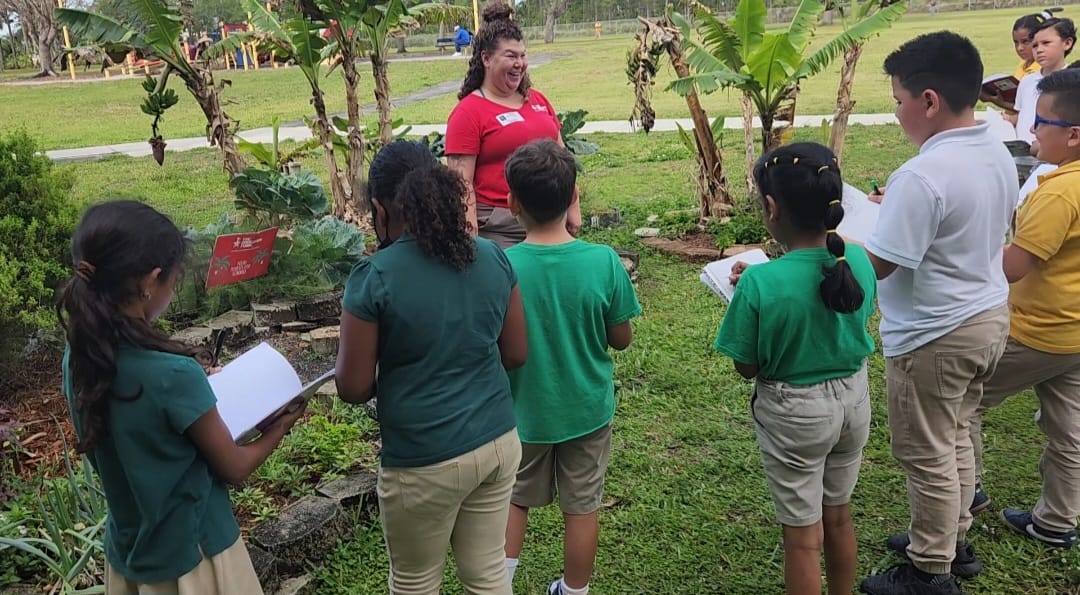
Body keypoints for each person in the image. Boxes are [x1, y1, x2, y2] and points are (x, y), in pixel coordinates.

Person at [56, 200, 304, 595]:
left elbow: (141, 424)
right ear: (150, 281)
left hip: (130, 557)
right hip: (199, 561)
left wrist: (191, 392)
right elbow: (235, 467)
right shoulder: (173, 376)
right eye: (173, 281)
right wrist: (281, 425)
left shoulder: (81, 358)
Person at [859, 32, 1018, 595]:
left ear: (928, 100)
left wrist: (839, 237)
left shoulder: (920, 176)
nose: (897, 111)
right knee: (955, 437)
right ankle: (953, 537)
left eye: (899, 99)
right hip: (985, 316)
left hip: (935, 334)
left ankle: (930, 570)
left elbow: (880, 265)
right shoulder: (994, 147)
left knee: (925, 452)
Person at [334, 140, 527, 595]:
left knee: (416, 581)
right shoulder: (490, 256)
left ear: (380, 208)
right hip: (498, 442)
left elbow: (353, 386)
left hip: (423, 460)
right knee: (486, 572)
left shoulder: (374, 276)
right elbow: (516, 353)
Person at [715, 142, 876, 595]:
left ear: (771, 207)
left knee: (803, 540)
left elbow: (746, 366)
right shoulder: (858, 260)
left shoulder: (762, 283)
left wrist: (759, 286)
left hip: (795, 414)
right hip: (854, 400)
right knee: (839, 515)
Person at [500, 140, 641, 595]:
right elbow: (621, 338)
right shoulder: (603, 261)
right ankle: (574, 590)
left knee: (513, 501)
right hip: (586, 410)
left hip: (522, 414)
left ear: (511, 201)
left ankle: (498, 584)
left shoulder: (502, 266)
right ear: (574, 196)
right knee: (582, 507)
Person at [967, 68, 1080, 549]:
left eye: (1041, 122)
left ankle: (962, 492)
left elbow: (1013, 266)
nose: (1031, 129)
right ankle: (1057, 522)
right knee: (1070, 431)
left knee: (958, 402)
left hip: (1036, 332)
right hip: (1075, 333)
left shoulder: (1058, 192)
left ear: (1073, 136)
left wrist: (962, 242)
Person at [446, 3, 581, 248]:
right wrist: (469, 232)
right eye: (511, 56)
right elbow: (460, 182)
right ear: (486, 59)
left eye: (523, 55)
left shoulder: (537, 100)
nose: (520, 63)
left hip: (551, 219)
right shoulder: (468, 112)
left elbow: (563, 158)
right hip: (500, 227)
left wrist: (573, 205)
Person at [981, 9, 1062, 116]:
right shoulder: (1023, 64)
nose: (1020, 48)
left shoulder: (1042, 71)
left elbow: (1027, 109)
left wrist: (996, 101)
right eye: (1016, 42)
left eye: (1025, 42)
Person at [1013, 16, 1075, 144]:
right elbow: (1021, 115)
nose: (1039, 50)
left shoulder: (1073, 82)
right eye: (1035, 45)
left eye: (1046, 43)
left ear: (1067, 43)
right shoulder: (1026, 81)